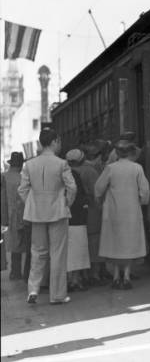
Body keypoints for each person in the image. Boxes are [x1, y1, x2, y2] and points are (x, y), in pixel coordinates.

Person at [18, 128, 77, 304]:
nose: (60, 144)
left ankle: (33, 289)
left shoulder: (29, 164)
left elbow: (22, 190)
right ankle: (57, 295)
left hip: (36, 214)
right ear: (53, 142)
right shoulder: (61, 163)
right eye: (58, 141)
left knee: (37, 252)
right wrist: (67, 202)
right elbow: (72, 187)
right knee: (57, 253)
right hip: (57, 212)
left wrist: (33, 203)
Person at [95, 140, 150, 290]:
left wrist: (99, 200)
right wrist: (142, 201)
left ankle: (115, 277)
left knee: (115, 242)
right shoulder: (137, 168)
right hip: (132, 211)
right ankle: (126, 276)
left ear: (117, 153)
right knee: (128, 242)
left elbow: (99, 188)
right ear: (131, 152)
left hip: (113, 211)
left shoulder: (110, 168)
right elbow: (144, 191)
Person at [74, 147, 108, 285]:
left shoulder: (68, 171)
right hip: (92, 213)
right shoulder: (90, 171)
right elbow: (97, 193)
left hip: (76, 215)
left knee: (80, 246)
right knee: (94, 243)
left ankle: (82, 275)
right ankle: (95, 275)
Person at [1, 152, 30, 281]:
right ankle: (19, 272)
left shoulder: (3, 177)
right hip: (20, 214)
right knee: (20, 244)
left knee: (13, 244)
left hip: (6, 214)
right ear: (21, 164)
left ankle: (14, 271)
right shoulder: (21, 178)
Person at [65, 149, 91, 292]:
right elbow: (81, 194)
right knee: (78, 250)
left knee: (67, 251)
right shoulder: (75, 175)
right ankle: (75, 280)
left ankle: (70, 280)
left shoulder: (62, 173)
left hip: (63, 218)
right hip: (78, 217)